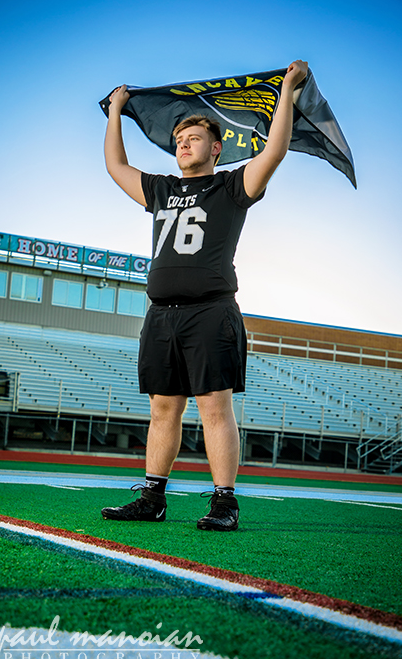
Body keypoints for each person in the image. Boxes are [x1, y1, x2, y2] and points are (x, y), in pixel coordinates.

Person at [101, 60, 309, 531]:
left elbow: (273, 152)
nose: (182, 145)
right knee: (162, 407)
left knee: (214, 407)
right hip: (161, 315)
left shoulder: (230, 185)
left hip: (210, 311)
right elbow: (116, 166)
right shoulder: (161, 189)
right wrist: (116, 112)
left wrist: (288, 93)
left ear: (216, 148)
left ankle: (225, 503)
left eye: (192, 139)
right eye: (178, 140)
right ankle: (153, 496)